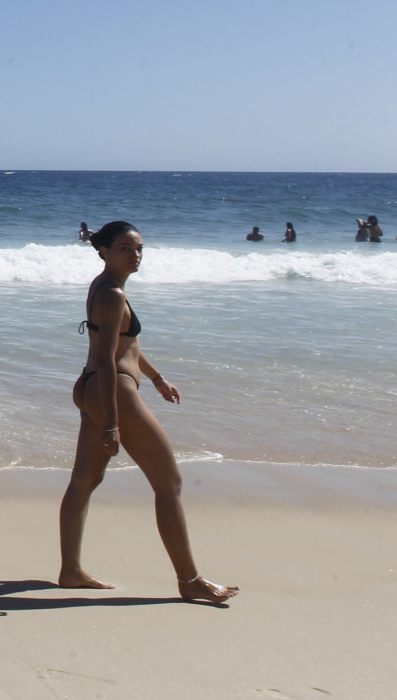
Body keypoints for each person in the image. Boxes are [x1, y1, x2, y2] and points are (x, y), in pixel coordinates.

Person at [58, 221, 235, 604]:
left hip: (91, 387)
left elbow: (127, 343)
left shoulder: (103, 287)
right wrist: (111, 422)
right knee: (168, 484)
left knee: (84, 481)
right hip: (113, 391)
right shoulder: (113, 294)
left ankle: (70, 571)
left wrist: (156, 378)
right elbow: (107, 359)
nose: (135, 255)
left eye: (138, 248)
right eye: (125, 248)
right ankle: (190, 580)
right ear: (103, 250)